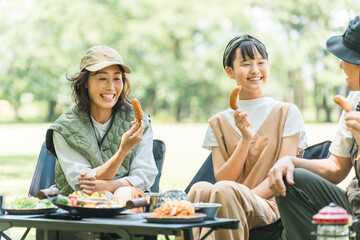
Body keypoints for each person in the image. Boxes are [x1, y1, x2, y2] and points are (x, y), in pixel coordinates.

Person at [188, 33, 308, 240]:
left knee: (224, 192)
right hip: (227, 195)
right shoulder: (218, 122)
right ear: (230, 71)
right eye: (246, 64)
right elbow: (224, 178)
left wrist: (242, 198)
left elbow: (281, 174)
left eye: (261, 62)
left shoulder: (287, 112)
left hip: (269, 203)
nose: (255, 70)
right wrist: (245, 139)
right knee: (199, 189)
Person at [268, 15, 360, 240]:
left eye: (346, 57)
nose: (340, 64)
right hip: (353, 206)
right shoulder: (354, 99)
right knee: (292, 179)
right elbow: (337, 167)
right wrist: (290, 161)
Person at [46, 45, 158, 201]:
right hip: (78, 210)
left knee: (123, 193)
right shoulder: (63, 129)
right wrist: (123, 150)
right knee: (102, 196)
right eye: (102, 78)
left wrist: (108, 186)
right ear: (85, 82)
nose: (111, 87)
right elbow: (84, 186)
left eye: (117, 78)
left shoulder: (140, 122)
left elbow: (144, 175)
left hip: (128, 203)